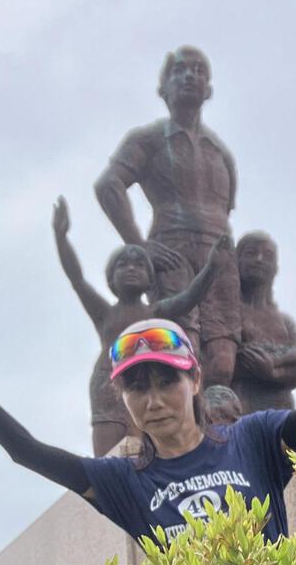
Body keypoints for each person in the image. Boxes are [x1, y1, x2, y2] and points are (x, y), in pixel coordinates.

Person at [0, 245, 296, 545]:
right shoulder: (122, 480)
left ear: (195, 381)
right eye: (136, 386)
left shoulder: (254, 439)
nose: (153, 399)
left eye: (167, 381)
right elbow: (27, 452)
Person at [94, 46, 241, 387]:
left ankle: (222, 427)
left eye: (198, 70)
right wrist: (139, 244)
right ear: (163, 88)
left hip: (218, 251)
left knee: (223, 358)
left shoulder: (220, 152)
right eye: (179, 70)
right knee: (180, 346)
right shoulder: (148, 139)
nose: (190, 76)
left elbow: (226, 207)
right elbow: (109, 186)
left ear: (208, 88)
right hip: (171, 248)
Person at [52, 194, 226, 455]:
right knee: (108, 452)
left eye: (139, 265)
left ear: (150, 278)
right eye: (123, 265)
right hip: (106, 382)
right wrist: (61, 237)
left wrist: (212, 267)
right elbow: (77, 279)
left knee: (143, 446)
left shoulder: (156, 311)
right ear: (111, 278)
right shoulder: (104, 313)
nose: (131, 269)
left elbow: (190, 297)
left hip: (144, 382)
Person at [232, 231, 296, 413]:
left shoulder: (285, 322)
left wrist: (272, 371)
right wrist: (282, 359)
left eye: (268, 256)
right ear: (237, 260)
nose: (259, 260)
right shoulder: (227, 311)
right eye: (251, 253)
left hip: (280, 411)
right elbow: (222, 360)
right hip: (239, 408)